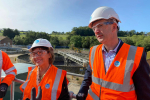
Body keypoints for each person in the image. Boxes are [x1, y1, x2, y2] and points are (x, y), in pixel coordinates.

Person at [76, 6, 150, 100]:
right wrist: (83, 89)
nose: (96, 31)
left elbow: (144, 95)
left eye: (100, 25)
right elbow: (88, 75)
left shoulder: (136, 55)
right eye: (94, 28)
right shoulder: (94, 51)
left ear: (114, 27)